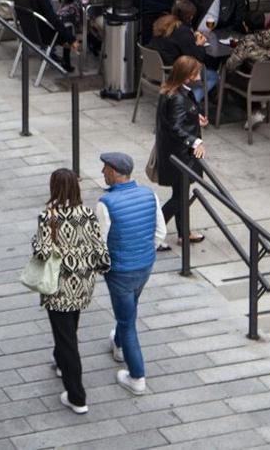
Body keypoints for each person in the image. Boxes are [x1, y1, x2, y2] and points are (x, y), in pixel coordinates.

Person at [31, 167, 109, 414]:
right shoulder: (87, 213)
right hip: (83, 284)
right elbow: (100, 249)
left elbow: (41, 251)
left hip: (58, 287)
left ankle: (77, 396)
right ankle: (59, 358)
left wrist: (37, 242)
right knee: (69, 328)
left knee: (68, 340)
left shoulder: (49, 216)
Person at [98, 153, 163, 396]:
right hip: (144, 266)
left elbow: (100, 244)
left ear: (115, 172)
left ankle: (137, 377)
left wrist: (103, 268)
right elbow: (160, 232)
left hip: (120, 271)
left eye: (105, 169)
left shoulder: (106, 203)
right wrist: (144, 253)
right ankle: (118, 344)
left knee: (127, 322)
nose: (103, 172)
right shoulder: (150, 195)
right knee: (129, 307)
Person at [155, 56, 208, 246]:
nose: (200, 76)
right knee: (179, 197)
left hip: (176, 153)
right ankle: (153, 233)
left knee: (181, 194)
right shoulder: (177, 97)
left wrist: (196, 119)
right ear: (187, 77)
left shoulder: (176, 91)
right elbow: (176, 127)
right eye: (197, 73)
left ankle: (183, 233)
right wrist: (195, 142)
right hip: (179, 155)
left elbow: (178, 119)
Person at [14, 0, 79, 70]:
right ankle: (66, 62)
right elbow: (52, 19)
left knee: (63, 21)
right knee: (68, 26)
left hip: (28, 32)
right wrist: (71, 39)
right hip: (44, 35)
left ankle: (62, 56)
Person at [150, 1, 219, 101]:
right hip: (174, 70)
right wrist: (200, 44)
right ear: (189, 17)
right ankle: (191, 100)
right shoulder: (182, 31)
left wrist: (191, 38)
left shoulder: (164, 23)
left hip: (158, 67)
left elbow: (178, 43)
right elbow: (198, 57)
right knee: (213, 76)